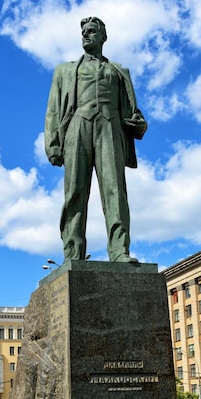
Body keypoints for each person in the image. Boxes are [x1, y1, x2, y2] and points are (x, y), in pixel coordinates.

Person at [44, 16, 147, 263]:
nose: (86, 35)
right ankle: (72, 254)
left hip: (110, 128)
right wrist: (53, 144)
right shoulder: (65, 70)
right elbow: (53, 110)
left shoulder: (118, 72)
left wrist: (140, 124)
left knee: (115, 191)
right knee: (75, 193)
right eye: (84, 32)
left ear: (103, 37)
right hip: (76, 126)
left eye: (92, 31)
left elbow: (133, 112)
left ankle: (120, 250)